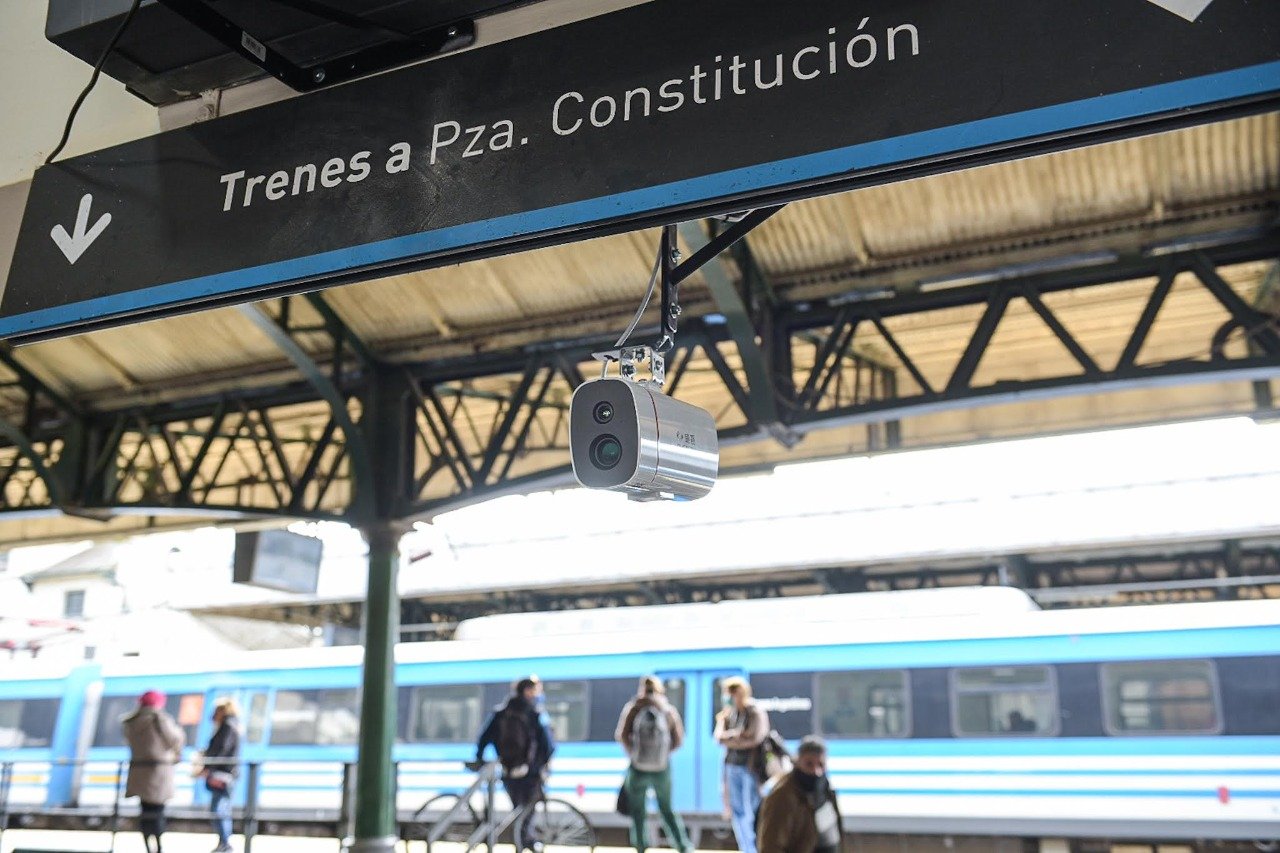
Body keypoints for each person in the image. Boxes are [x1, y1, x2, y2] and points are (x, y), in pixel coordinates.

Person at [474, 676, 555, 851]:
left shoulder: (501, 712)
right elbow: (548, 746)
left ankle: (523, 842)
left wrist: (480, 759)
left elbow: (483, 739)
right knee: (528, 812)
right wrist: (541, 765)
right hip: (530, 773)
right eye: (536, 690)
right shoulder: (535, 713)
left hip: (508, 771)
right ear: (528, 691)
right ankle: (527, 843)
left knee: (519, 811)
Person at [615, 676, 694, 853]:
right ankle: (682, 846)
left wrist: (634, 753)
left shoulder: (634, 708)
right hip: (662, 769)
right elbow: (679, 740)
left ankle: (641, 846)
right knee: (666, 809)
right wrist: (663, 754)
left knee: (638, 811)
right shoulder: (667, 709)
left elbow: (621, 735)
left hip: (637, 768)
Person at [121, 690, 185, 853]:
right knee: (157, 812)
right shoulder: (160, 719)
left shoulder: (131, 721)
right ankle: (158, 847)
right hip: (159, 773)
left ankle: (148, 846)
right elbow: (174, 739)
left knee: (145, 811)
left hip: (139, 772)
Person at [757, 736, 842, 853]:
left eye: (821, 765)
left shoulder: (825, 791)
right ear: (798, 762)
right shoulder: (783, 797)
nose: (816, 771)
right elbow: (770, 845)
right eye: (809, 764)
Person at [714, 676, 769, 853]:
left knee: (751, 811)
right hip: (732, 767)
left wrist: (730, 738)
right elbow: (719, 738)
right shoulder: (727, 714)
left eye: (732, 693)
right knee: (737, 812)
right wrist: (737, 736)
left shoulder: (754, 712)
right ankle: (746, 849)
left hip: (750, 768)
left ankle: (757, 847)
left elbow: (754, 738)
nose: (728, 697)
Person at [200, 697, 241, 853]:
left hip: (222, 774)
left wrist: (208, 767)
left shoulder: (227, 727)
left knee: (218, 809)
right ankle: (223, 842)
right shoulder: (232, 726)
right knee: (220, 808)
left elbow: (221, 749)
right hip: (224, 773)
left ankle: (225, 843)